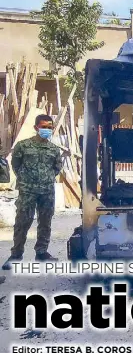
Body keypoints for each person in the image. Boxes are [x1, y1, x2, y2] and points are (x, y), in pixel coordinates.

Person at [2, 115, 62, 270]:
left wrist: (45, 179)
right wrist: (26, 179)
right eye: (44, 127)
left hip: (47, 191)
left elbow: (56, 168)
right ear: (36, 127)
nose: (47, 130)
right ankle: (16, 255)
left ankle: (41, 253)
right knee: (23, 222)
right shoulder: (23, 146)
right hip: (27, 190)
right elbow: (16, 165)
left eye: (50, 127)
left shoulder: (54, 150)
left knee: (45, 222)